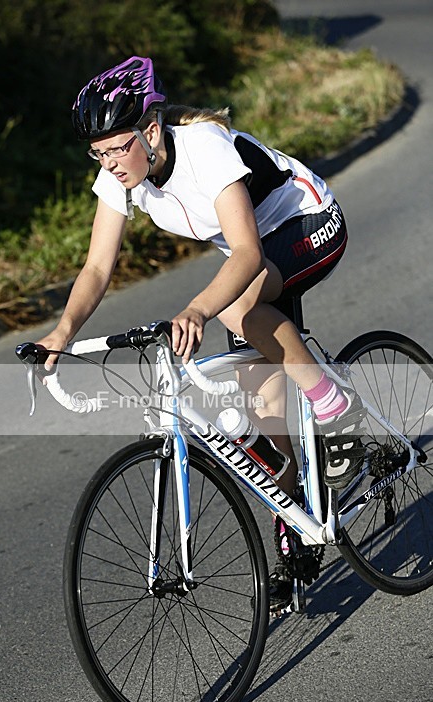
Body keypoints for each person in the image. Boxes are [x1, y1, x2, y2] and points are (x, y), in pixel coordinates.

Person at [38, 56, 366, 611]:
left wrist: (195, 310)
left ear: (150, 129)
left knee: (238, 311)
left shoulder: (204, 146)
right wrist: (62, 331)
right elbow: (97, 269)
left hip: (307, 222)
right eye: (98, 153)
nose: (109, 163)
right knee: (263, 407)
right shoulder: (121, 175)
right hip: (256, 258)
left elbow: (245, 253)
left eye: (117, 148)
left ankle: (337, 408)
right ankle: (296, 536)